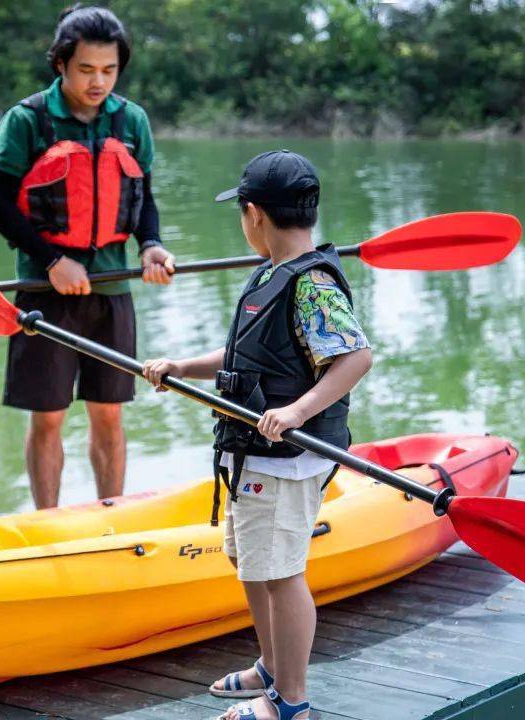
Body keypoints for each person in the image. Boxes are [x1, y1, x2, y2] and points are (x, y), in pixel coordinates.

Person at [143, 151, 373, 720]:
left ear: (254, 214)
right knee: (250, 561)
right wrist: (182, 367)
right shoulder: (273, 273)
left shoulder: (311, 283)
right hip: (254, 453)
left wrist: (297, 410)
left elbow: (355, 357)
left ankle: (289, 700)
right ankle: (270, 667)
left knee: (281, 573)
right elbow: (248, 356)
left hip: (286, 458)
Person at [0, 5, 174, 509]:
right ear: (61, 63)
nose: (98, 82)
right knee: (48, 416)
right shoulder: (27, 120)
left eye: (109, 70)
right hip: (44, 293)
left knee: (109, 412)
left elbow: (143, 198)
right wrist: (51, 261)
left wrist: (150, 244)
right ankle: (48, 522)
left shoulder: (131, 120)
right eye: (86, 69)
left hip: (112, 288)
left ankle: (111, 519)